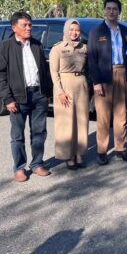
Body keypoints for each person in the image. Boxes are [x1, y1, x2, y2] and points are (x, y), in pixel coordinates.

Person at [0, 11, 52, 182]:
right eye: (24, 25)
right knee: (18, 135)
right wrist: (8, 99)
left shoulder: (37, 45)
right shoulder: (6, 46)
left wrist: (47, 93)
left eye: (30, 25)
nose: (28, 28)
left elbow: (44, 71)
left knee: (39, 132)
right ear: (14, 27)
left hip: (38, 95)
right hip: (18, 99)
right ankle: (19, 168)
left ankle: (37, 164)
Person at [87, 0, 127, 165]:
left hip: (122, 73)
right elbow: (92, 59)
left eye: (115, 9)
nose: (112, 11)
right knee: (103, 116)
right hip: (104, 76)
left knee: (121, 114)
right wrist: (96, 82)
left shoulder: (125, 31)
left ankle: (121, 149)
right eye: (109, 8)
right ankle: (102, 151)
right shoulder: (96, 32)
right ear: (105, 10)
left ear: (119, 11)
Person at [49, 19, 89, 170]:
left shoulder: (84, 48)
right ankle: (67, 155)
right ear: (66, 30)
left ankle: (80, 153)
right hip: (64, 85)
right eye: (71, 29)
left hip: (81, 84)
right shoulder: (58, 49)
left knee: (82, 120)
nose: (74, 33)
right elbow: (54, 72)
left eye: (77, 30)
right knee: (66, 121)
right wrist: (60, 91)